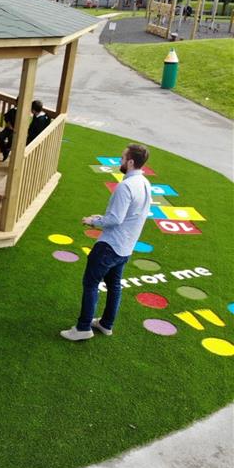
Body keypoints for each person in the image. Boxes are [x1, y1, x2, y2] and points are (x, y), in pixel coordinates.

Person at [61, 144, 152, 341]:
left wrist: (93, 221)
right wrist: (103, 217)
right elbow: (128, 215)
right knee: (114, 285)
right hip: (126, 246)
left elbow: (115, 219)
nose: (119, 161)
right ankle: (106, 324)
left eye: (122, 158)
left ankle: (83, 327)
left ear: (130, 162)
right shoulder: (144, 183)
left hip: (110, 245)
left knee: (91, 284)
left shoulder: (125, 186)